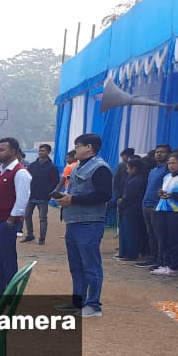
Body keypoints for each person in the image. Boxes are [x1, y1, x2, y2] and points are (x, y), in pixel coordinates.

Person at [57, 133, 112, 317]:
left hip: (89, 223)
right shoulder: (77, 166)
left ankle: (94, 305)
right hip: (74, 221)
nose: (75, 150)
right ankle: (78, 301)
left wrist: (73, 200)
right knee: (76, 266)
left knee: (90, 265)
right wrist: (66, 198)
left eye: (78, 146)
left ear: (89, 147)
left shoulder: (100, 168)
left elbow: (105, 195)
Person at [0, 137, 31, 300]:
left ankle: (10, 293)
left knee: (7, 258)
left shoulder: (20, 172)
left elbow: (22, 198)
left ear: (13, 152)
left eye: (2, 150)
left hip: (6, 222)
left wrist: (12, 218)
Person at [150, 150, 178, 276]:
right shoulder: (167, 177)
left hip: (177, 213)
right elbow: (165, 192)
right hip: (163, 210)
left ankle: (173, 267)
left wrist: (173, 195)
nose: (171, 165)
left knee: (175, 240)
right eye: (169, 163)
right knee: (164, 238)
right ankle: (165, 264)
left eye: (174, 163)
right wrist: (161, 194)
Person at [136, 144, 170, 268]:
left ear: (168, 154)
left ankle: (161, 260)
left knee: (159, 235)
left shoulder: (167, 170)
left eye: (162, 152)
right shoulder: (153, 170)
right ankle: (153, 257)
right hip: (146, 204)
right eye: (157, 152)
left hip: (157, 206)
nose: (159, 154)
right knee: (151, 234)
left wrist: (158, 203)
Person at [24, 143, 59, 245]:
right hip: (32, 195)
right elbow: (27, 178)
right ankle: (30, 235)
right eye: (39, 150)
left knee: (43, 218)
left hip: (44, 197)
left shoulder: (52, 167)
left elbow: (55, 181)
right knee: (27, 215)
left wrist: (48, 191)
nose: (40, 152)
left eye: (43, 151)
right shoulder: (32, 165)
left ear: (48, 152)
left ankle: (42, 239)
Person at [115, 155, 148, 261]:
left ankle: (131, 253)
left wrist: (121, 203)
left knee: (130, 233)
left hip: (132, 210)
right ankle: (124, 252)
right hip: (128, 209)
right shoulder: (133, 179)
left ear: (134, 168)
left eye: (129, 168)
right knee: (124, 231)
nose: (127, 171)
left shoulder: (137, 180)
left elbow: (129, 197)